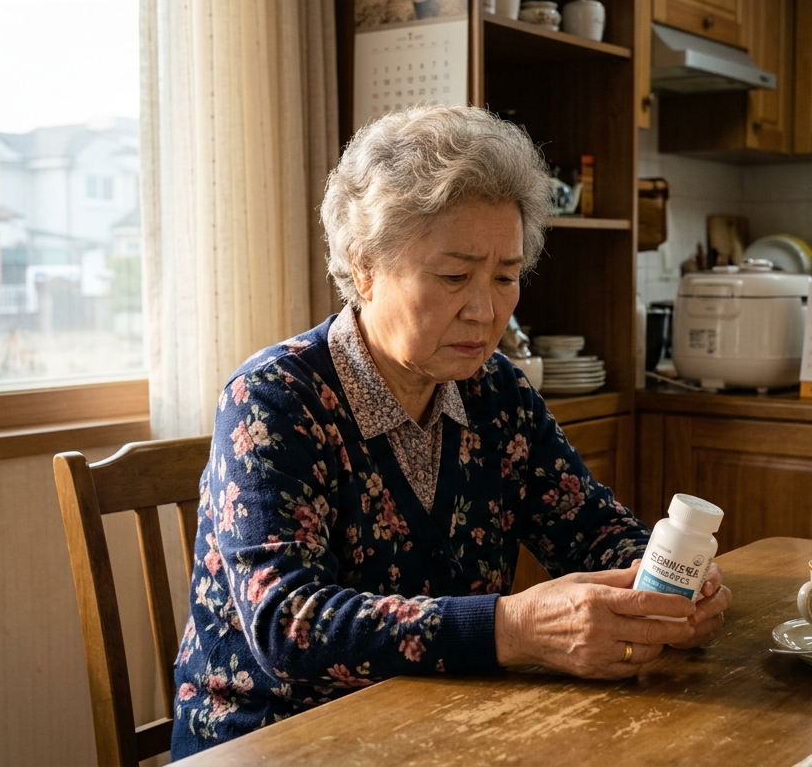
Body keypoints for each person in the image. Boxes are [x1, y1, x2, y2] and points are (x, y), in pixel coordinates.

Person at [170, 104, 732, 757]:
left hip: (441, 728)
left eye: (506, 277)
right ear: (365, 267)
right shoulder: (275, 399)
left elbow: (592, 532)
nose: (485, 309)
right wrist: (512, 628)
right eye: (454, 276)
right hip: (276, 742)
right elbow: (290, 627)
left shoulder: (498, 394)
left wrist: (668, 586)